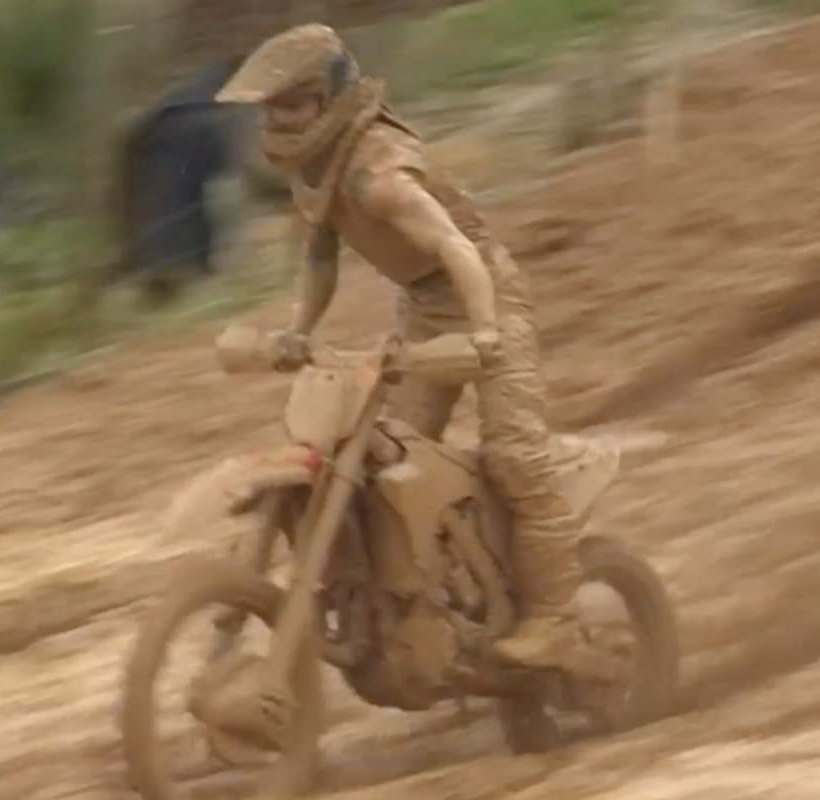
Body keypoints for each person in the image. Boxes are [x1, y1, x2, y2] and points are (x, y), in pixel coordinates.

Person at [215, 24, 619, 674]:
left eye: (290, 104)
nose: (277, 120)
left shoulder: (379, 174)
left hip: (486, 292)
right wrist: (298, 331)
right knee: (380, 457)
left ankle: (556, 619)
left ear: (327, 99)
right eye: (270, 108)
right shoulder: (315, 172)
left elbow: (456, 249)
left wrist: (485, 334)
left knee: (514, 453)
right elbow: (320, 261)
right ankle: (433, 600)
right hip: (423, 307)